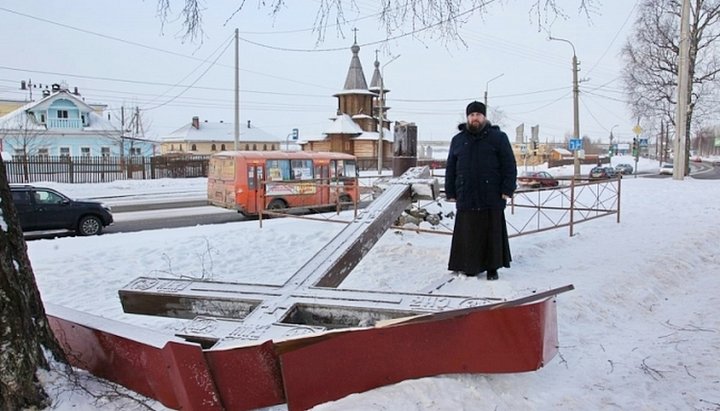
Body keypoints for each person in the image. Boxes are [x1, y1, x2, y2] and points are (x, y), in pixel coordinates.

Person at [445, 101, 517, 281]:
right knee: (468, 232)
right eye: (471, 115)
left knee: (491, 231)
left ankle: (493, 267)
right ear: (467, 117)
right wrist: (451, 191)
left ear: (484, 117)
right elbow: (451, 167)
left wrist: (507, 188)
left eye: (478, 115)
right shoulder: (458, 140)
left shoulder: (498, 138)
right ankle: (470, 266)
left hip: (491, 194)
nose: (474, 118)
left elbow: (509, 165)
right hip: (466, 193)